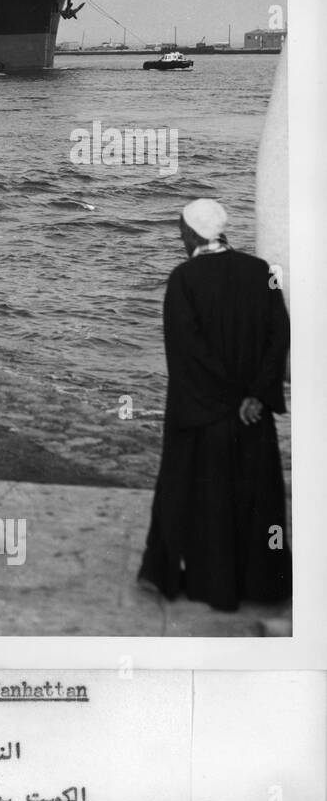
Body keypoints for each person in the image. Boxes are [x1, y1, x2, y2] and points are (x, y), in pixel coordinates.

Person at [136, 199, 291, 612]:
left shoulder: (184, 279)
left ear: (192, 234)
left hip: (204, 414)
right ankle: (261, 584)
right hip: (251, 415)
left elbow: (187, 353)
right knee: (254, 501)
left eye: (181, 230)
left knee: (190, 494)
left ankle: (193, 578)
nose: (179, 237)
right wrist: (255, 396)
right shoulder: (262, 273)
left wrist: (230, 399)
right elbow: (279, 339)